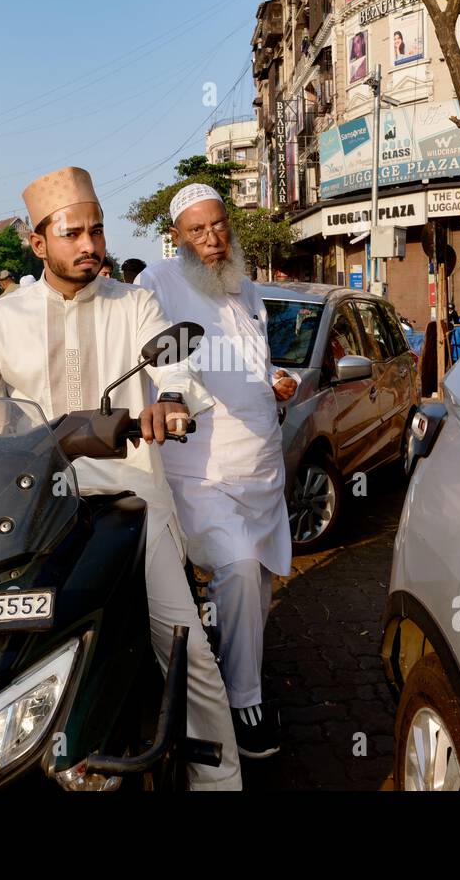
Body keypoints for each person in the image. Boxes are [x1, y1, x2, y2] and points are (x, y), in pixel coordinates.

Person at [0, 166, 241, 790]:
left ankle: (220, 782)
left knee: (184, 647)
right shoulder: (2, 317)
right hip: (32, 497)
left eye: (96, 232)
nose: (90, 245)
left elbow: (177, 369)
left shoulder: (136, 302)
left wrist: (169, 403)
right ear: (39, 245)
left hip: (128, 495)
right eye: (73, 235)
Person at [137, 183, 295, 760]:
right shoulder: (158, 282)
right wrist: (174, 396)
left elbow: (257, 360)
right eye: (197, 230)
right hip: (200, 466)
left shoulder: (247, 287)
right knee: (237, 566)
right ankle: (243, 700)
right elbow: (158, 356)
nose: (212, 238)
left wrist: (277, 378)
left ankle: (236, 666)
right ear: (177, 236)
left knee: (255, 581)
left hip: (261, 465)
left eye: (219, 225)